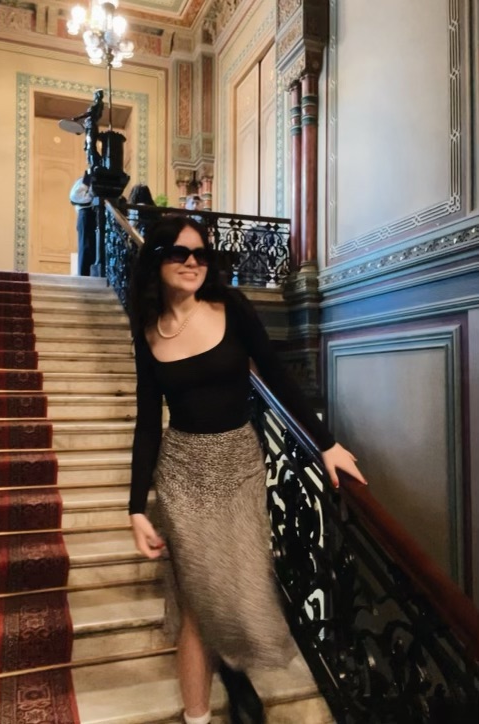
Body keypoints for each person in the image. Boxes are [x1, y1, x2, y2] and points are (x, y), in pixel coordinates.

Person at [128, 215, 366, 724]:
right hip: (181, 471)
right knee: (196, 598)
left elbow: (277, 374)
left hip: (238, 463)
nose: (192, 262)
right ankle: (198, 715)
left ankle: (235, 670)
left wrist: (326, 443)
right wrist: (136, 508)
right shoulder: (147, 331)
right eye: (179, 253)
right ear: (157, 261)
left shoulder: (231, 306)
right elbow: (148, 423)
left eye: (200, 253)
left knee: (240, 578)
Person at [69, 171, 96, 276]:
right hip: (86, 215)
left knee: (93, 248)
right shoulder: (83, 181)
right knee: (85, 247)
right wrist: (87, 186)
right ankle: (84, 274)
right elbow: (74, 196)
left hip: (95, 216)